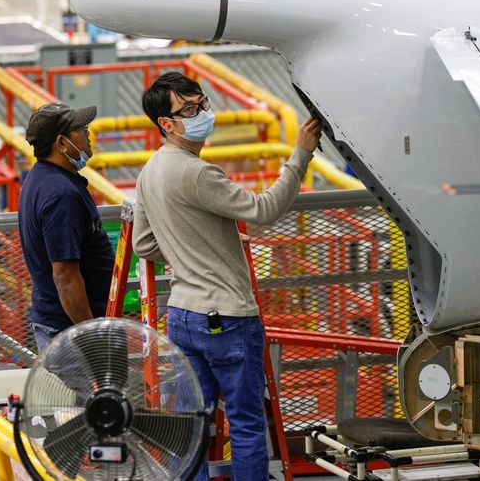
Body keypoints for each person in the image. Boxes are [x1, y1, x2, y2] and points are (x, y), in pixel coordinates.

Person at [134, 72, 322, 481]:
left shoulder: (150, 171)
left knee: (194, 425)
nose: (202, 113)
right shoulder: (198, 173)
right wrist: (301, 155)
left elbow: (144, 245)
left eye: (202, 103)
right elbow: (265, 210)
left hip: (182, 315)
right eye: (189, 109)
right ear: (166, 124)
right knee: (246, 423)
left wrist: (187, 252)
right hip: (227, 318)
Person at [19, 102, 114, 351]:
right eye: (81, 129)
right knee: (93, 392)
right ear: (61, 143)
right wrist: (91, 336)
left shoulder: (41, 177)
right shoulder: (61, 195)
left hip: (63, 326)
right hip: (71, 333)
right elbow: (65, 275)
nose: (88, 134)